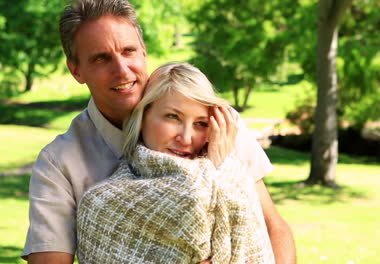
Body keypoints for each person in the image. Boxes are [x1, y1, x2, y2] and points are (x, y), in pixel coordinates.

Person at [22, 0, 296, 263]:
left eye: (128, 51)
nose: (122, 70)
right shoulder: (59, 162)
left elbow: (274, 229)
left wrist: (222, 165)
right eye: (101, 58)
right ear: (76, 70)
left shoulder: (217, 123)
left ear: (144, 52)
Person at [76, 62, 276, 263]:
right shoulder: (101, 205)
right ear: (143, 115)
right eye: (173, 117)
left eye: (200, 124)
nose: (186, 138)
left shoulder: (234, 179)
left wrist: (219, 168)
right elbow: (194, 199)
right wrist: (215, 170)